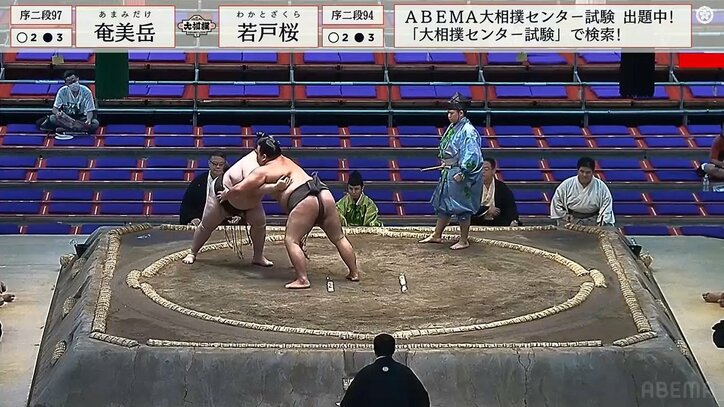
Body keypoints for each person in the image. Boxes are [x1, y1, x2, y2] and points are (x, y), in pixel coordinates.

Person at [218, 135, 360, 289]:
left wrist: (227, 194)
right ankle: (354, 273)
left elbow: (240, 188)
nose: (256, 156)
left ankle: (302, 279)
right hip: (323, 193)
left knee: (291, 240)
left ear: (264, 156)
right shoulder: (287, 160)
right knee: (338, 237)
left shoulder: (263, 171)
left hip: (304, 200)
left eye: (257, 153)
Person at [181, 133, 290, 267]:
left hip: (250, 203)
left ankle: (258, 256)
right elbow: (250, 188)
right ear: (262, 155)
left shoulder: (272, 162)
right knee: (206, 226)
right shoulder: (251, 165)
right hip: (222, 197)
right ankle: (192, 252)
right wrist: (275, 187)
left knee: (260, 225)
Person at [419, 92, 484, 250]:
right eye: (448, 112)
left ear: (461, 113)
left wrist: (463, 172)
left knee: (461, 207)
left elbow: (473, 154)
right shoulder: (453, 127)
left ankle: (464, 239)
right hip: (448, 170)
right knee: (444, 204)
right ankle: (437, 235)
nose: (448, 115)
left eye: (451, 112)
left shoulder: (468, 131)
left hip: (459, 173)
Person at [340, 333, 430, 407]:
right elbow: (423, 400)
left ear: (375, 350)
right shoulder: (405, 373)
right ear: (394, 349)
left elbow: (347, 403)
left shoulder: (365, 374)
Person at [550, 156, 615, 227]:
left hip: (594, 221)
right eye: (582, 171)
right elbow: (557, 202)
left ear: (593, 172)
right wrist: (564, 215)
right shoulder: (566, 184)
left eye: (588, 172)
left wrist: (602, 221)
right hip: (571, 220)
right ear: (577, 171)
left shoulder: (601, 187)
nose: (584, 175)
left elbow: (606, 207)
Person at [36, 70, 99, 138]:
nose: (73, 84)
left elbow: (90, 110)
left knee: (95, 123)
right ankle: (77, 129)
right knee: (52, 118)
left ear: (78, 79)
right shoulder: (62, 91)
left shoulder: (86, 91)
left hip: (82, 118)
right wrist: (58, 113)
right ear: (66, 83)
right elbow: (55, 109)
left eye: (74, 81)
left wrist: (88, 120)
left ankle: (65, 129)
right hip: (67, 119)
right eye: (70, 82)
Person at [179, 152, 228, 226]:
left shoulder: (230, 181)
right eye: (215, 164)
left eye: (221, 164)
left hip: (224, 223)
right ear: (209, 163)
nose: (218, 167)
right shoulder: (198, 182)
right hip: (201, 222)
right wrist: (192, 218)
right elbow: (187, 205)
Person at [471, 158, 521, 227]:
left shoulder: (502, 188)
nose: (482, 172)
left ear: (493, 171)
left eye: (486, 169)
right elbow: (469, 208)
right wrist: (486, 210)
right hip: (476, 222)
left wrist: (512, 221)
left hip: (497, 223)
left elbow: (510, 209)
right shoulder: (472, 187)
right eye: (480, 170)